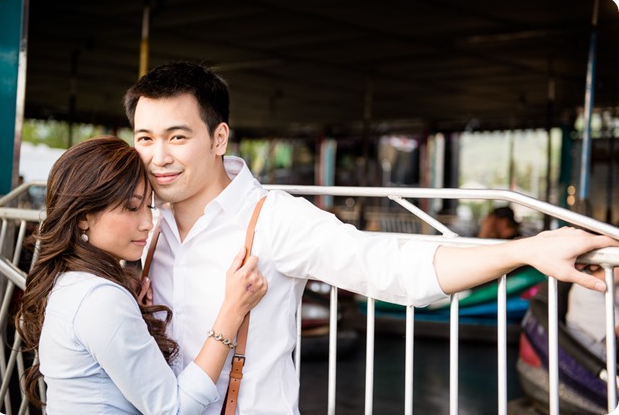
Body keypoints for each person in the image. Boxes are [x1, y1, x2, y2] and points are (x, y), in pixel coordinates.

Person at [123, 60, 618, 415]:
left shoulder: (273, 220)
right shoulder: (138, 220)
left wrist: (525, 250)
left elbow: (393, 267)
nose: (158, 156)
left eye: (177, 136)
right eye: (145, 138)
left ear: (219, 138)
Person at [14, 136, 268, 414]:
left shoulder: (71, 281)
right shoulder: (100, 299)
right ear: (84, 215)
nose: (148, 223)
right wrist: (231, 312)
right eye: (132, 208)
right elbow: (174, 410)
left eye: (149, 206)